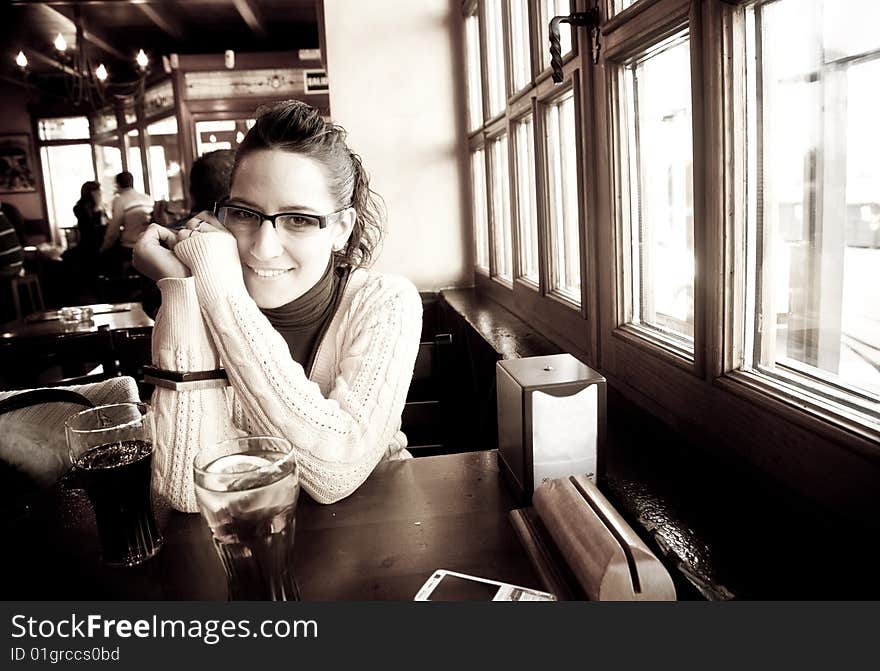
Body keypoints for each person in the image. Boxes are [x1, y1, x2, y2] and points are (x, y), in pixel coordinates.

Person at [133, 100, 422, 512]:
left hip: (379, 531)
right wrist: (183, 290)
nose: (264, 248)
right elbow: (184, 490)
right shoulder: (199, 295)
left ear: (341, 228)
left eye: (300, 220)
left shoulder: (385, 301)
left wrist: (221, 293)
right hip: (251, 543)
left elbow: (333, 474)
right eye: (245, 214)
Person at [100, 171, 152, 268]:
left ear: (118, 185)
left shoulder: (120, 200)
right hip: (151, 245)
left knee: (105, 261)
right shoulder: (147, 198)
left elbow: (113, 230)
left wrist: (104, 247)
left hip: (131, 247)